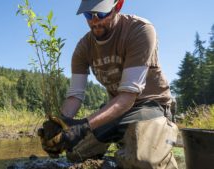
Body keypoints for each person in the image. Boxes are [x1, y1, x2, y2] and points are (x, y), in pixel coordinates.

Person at [39, 0, 179, 168]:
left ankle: (156, 142)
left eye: (102, 14)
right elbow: (75, 95)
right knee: (74, 153)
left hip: (150, 105)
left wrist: (84, 126)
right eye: (89, 15)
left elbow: (128, 97)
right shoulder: (83, 48)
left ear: (117, 6)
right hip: (116, 110)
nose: (95, 21)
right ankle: (123, 140)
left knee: (144, 161)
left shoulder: (140, 30)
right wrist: (62, 123)